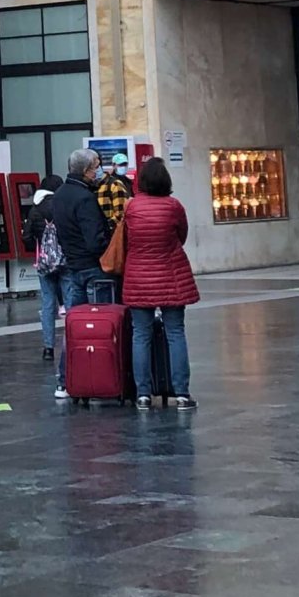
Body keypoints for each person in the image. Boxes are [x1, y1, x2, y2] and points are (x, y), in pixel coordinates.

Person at [118, 156, 197, 407]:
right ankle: (182, 394)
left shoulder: (131, 208)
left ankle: (142, 394)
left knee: (141, 335)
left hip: (139, 278)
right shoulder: (174, 206)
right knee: (175, 333)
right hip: (171, 275)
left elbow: (127, 239)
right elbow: (181, 236)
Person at [40, 149, 113, 396]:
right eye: (95, 166)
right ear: (85, 170)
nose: (98, 171)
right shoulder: (85, 198)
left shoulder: (59, 196)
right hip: (94, 269)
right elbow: (95, 239)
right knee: (103, 325)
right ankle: (104, 378)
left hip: (72, 267)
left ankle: (64, 380)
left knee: (74, 327)